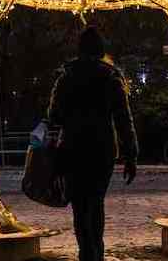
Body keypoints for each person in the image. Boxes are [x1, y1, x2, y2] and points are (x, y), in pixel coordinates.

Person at [48, 27, 138, 261]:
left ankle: (85, 251)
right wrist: (131, 155)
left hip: (72, 149)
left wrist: (48, 152)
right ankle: (96, 251)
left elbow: (53, 117)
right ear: (101, 50)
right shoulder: (110, 77)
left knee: (79, 206)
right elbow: (123, 120)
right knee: (96, 203)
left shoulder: (66, 78)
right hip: (101, 150)